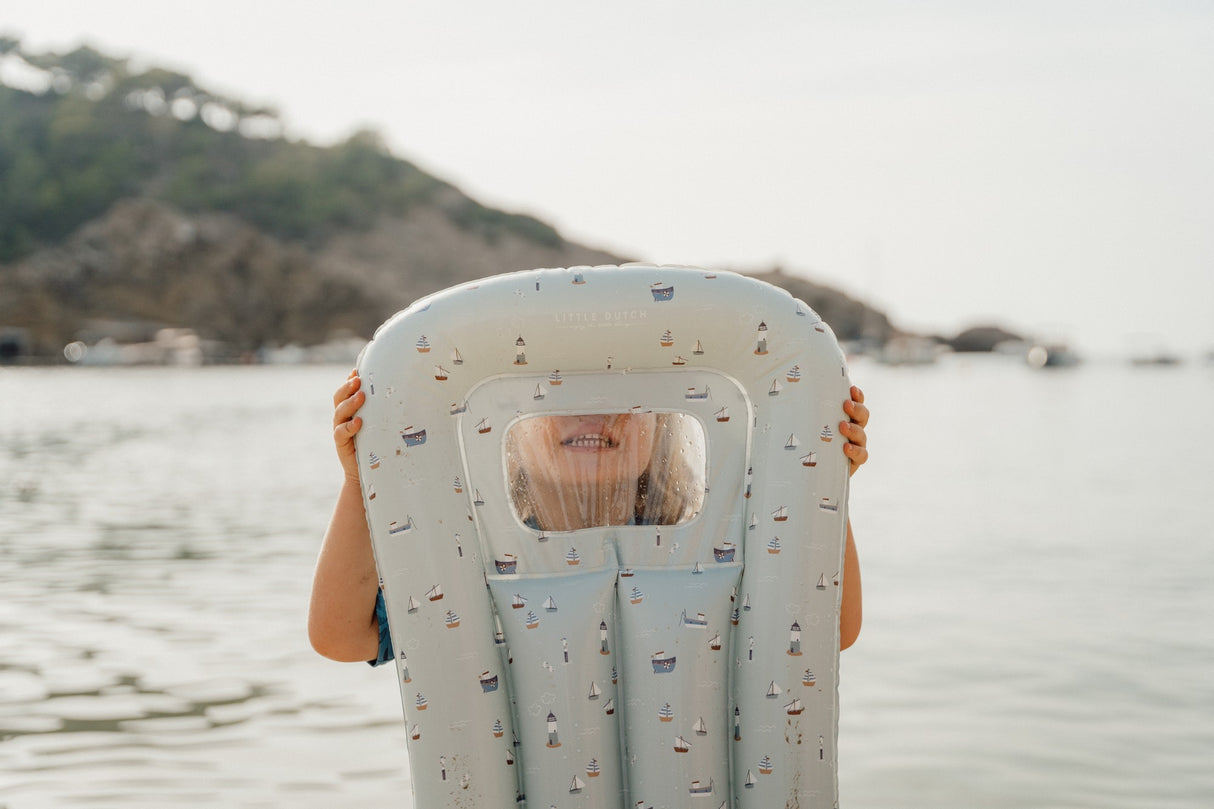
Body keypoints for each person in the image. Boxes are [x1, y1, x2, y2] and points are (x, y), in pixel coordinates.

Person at [308, 370, 869, 665]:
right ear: (506, 428)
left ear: (666, 425)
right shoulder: (468, 560)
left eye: (625, 393)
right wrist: (363, 483)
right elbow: (340, 636)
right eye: (554, 392)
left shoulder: (717, 546)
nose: (593, 410)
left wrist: (824, 485)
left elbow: (832, 630)